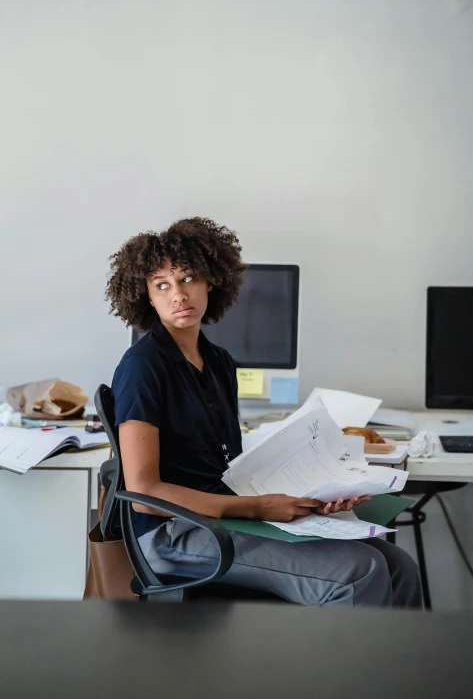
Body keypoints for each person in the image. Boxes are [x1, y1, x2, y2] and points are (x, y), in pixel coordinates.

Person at [107, 217, 422, 607]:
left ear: (210, 281)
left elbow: (232, 470)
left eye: (187, 278)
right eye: (162, 285)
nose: (178, 294)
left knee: (398, 565)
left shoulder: (219, 362)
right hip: (171, 533)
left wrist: (315, 497)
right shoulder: (142, 366)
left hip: (225, 516)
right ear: (147, 297)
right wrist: (259, 507)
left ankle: (396, 670)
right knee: (360, 572)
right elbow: (142, 494)